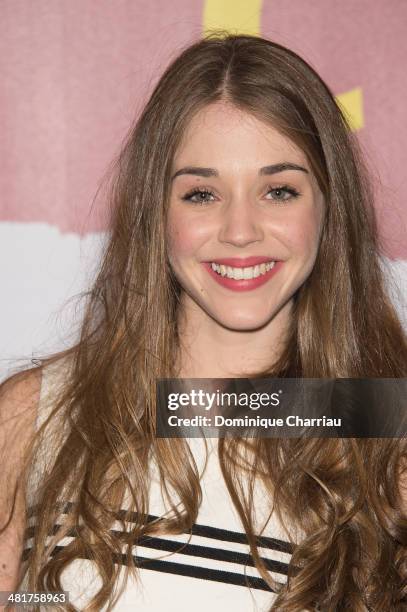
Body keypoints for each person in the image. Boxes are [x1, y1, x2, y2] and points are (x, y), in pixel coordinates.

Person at [0, 32, 406, 611]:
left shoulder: (386, 434)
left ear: (328, 207)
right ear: (155, 212)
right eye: (202, 194)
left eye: (279, 190)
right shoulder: (33, 416)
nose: (240, 230)